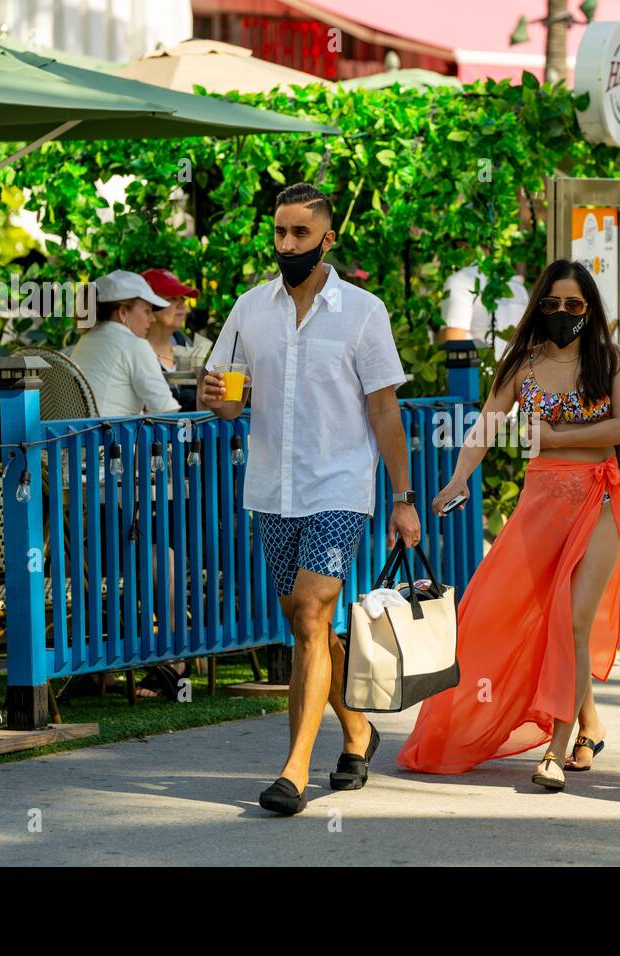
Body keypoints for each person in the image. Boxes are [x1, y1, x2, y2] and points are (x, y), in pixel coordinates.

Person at [200, 182, 418, 816]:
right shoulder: (249, 309)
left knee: (311, 617)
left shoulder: (363, 312)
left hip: (340, 487)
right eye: (280, 232)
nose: (288, 243)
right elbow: (229, 402)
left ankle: (293, 773)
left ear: (327, 239)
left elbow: (384, 409)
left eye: (300, 233)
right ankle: (358, 731)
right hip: (273, 489)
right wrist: (214, 400)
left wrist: (402, 497)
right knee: (305, 622)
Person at [397, 259, 620, 790]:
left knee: (572, 620)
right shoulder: (521, 363)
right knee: (506, 613)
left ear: (590, 308)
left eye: (573, 304)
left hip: (601, 497)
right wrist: (459, 477)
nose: (561, 312)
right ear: (538, 306)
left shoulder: (610, 358)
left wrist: (555, 438)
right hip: (541, 502)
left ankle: (556, 748)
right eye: (551, 303)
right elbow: (485, 426)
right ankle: (591, 724)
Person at [70, 270, 180, 417]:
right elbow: (167, 410)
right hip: (109, 431)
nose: (152, 319)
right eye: (147, 311)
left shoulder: (86, 339)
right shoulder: (135, 345)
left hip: (78, 431)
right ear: (123, 313)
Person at [436, 262, 530, 360]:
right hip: (515, 368)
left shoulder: (460, 280)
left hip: (478, 369)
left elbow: (453, 349)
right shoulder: (517, 285)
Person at [141, 267, 200, 410]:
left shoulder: (189, 347)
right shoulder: (133, 350)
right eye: (172, 298)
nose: (181, 305)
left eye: (182, 298)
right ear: (148, 305)